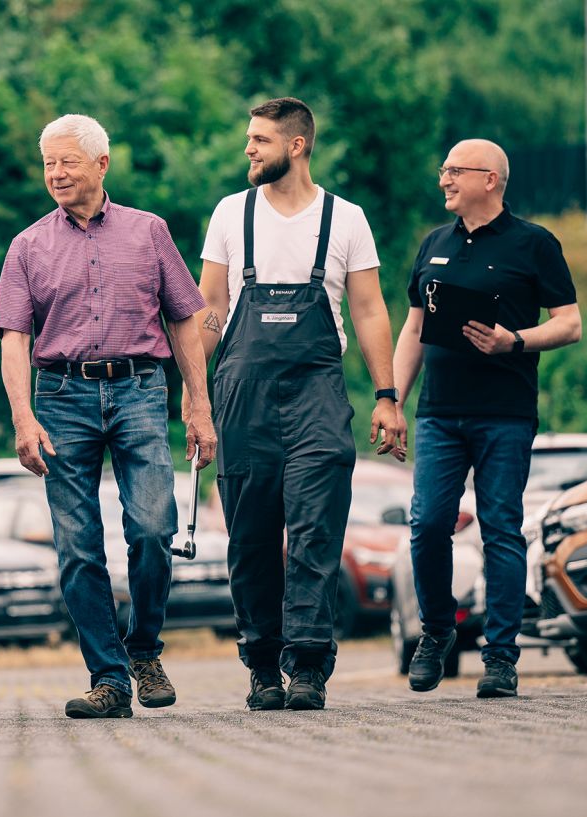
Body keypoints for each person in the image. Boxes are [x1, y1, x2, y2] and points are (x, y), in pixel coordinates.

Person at [0, 114, 216, 719]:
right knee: (78, 546)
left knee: (151, 528)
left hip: (141, 389)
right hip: (61, 399)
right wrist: (21, 417)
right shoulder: (27, 245)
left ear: (101, 165)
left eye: (67, 162)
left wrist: (198, 403)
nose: (57, 174)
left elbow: (184, 318)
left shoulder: (149, 232)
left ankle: (143, 647)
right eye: (48, 165)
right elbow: (13, 337)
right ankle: (109, 677)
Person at [196, 97, 405, 713]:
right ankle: (262, 666)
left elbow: (368, 309)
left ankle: (308, 664)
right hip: (241, 393)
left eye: (259, 140)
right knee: (252, 536)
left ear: (297, 146)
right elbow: (209, 306)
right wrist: (193, 396)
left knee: (316, 529)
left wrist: (388, 396)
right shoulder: (232, 214)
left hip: (318, 390)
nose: (248, 150)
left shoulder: (346, 219)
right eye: (248, 139)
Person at [392, 138, 581, 698]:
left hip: (505, 414)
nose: (443, 180)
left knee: (500, 530)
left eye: (454, 171)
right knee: (427, 525)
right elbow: (412, 329)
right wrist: (391, 399)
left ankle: (500, 657)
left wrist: (514, 341)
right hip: (439, 415)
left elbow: (569, 324)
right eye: (442, 171)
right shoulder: (434, 243)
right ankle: (435, 632)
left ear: (490, 179)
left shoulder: (534, 244)